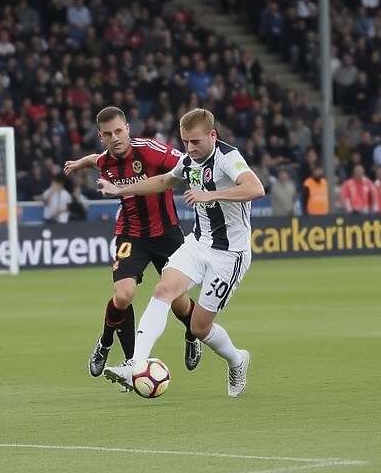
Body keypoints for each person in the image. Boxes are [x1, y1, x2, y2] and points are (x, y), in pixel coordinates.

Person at [98, 108, 265, 398]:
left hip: (229, 255)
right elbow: (163, 181)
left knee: (200, 328)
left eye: (196, 142)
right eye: (185, 142)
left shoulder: (229, 158)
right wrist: (120, 191)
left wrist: (210, 194)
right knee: (163, 290)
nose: (189, 148)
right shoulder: (189, 161)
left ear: (212, 135)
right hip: (198, 244)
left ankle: (237, 359)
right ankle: (135, 364)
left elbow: (256, 188)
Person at [64, 106, 201, 380]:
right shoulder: (106, 160)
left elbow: (186, 162)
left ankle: (192, 335)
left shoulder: (150, 150)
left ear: (127, 127)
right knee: (124, 294)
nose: (115, 137)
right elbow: (96, 159)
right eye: (107, 134)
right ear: (101, 137)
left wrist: (200, 186)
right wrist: (80, 163)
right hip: (131, 233)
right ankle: (117, 352)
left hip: (167, 234)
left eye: (118, 130)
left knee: (179, 303)